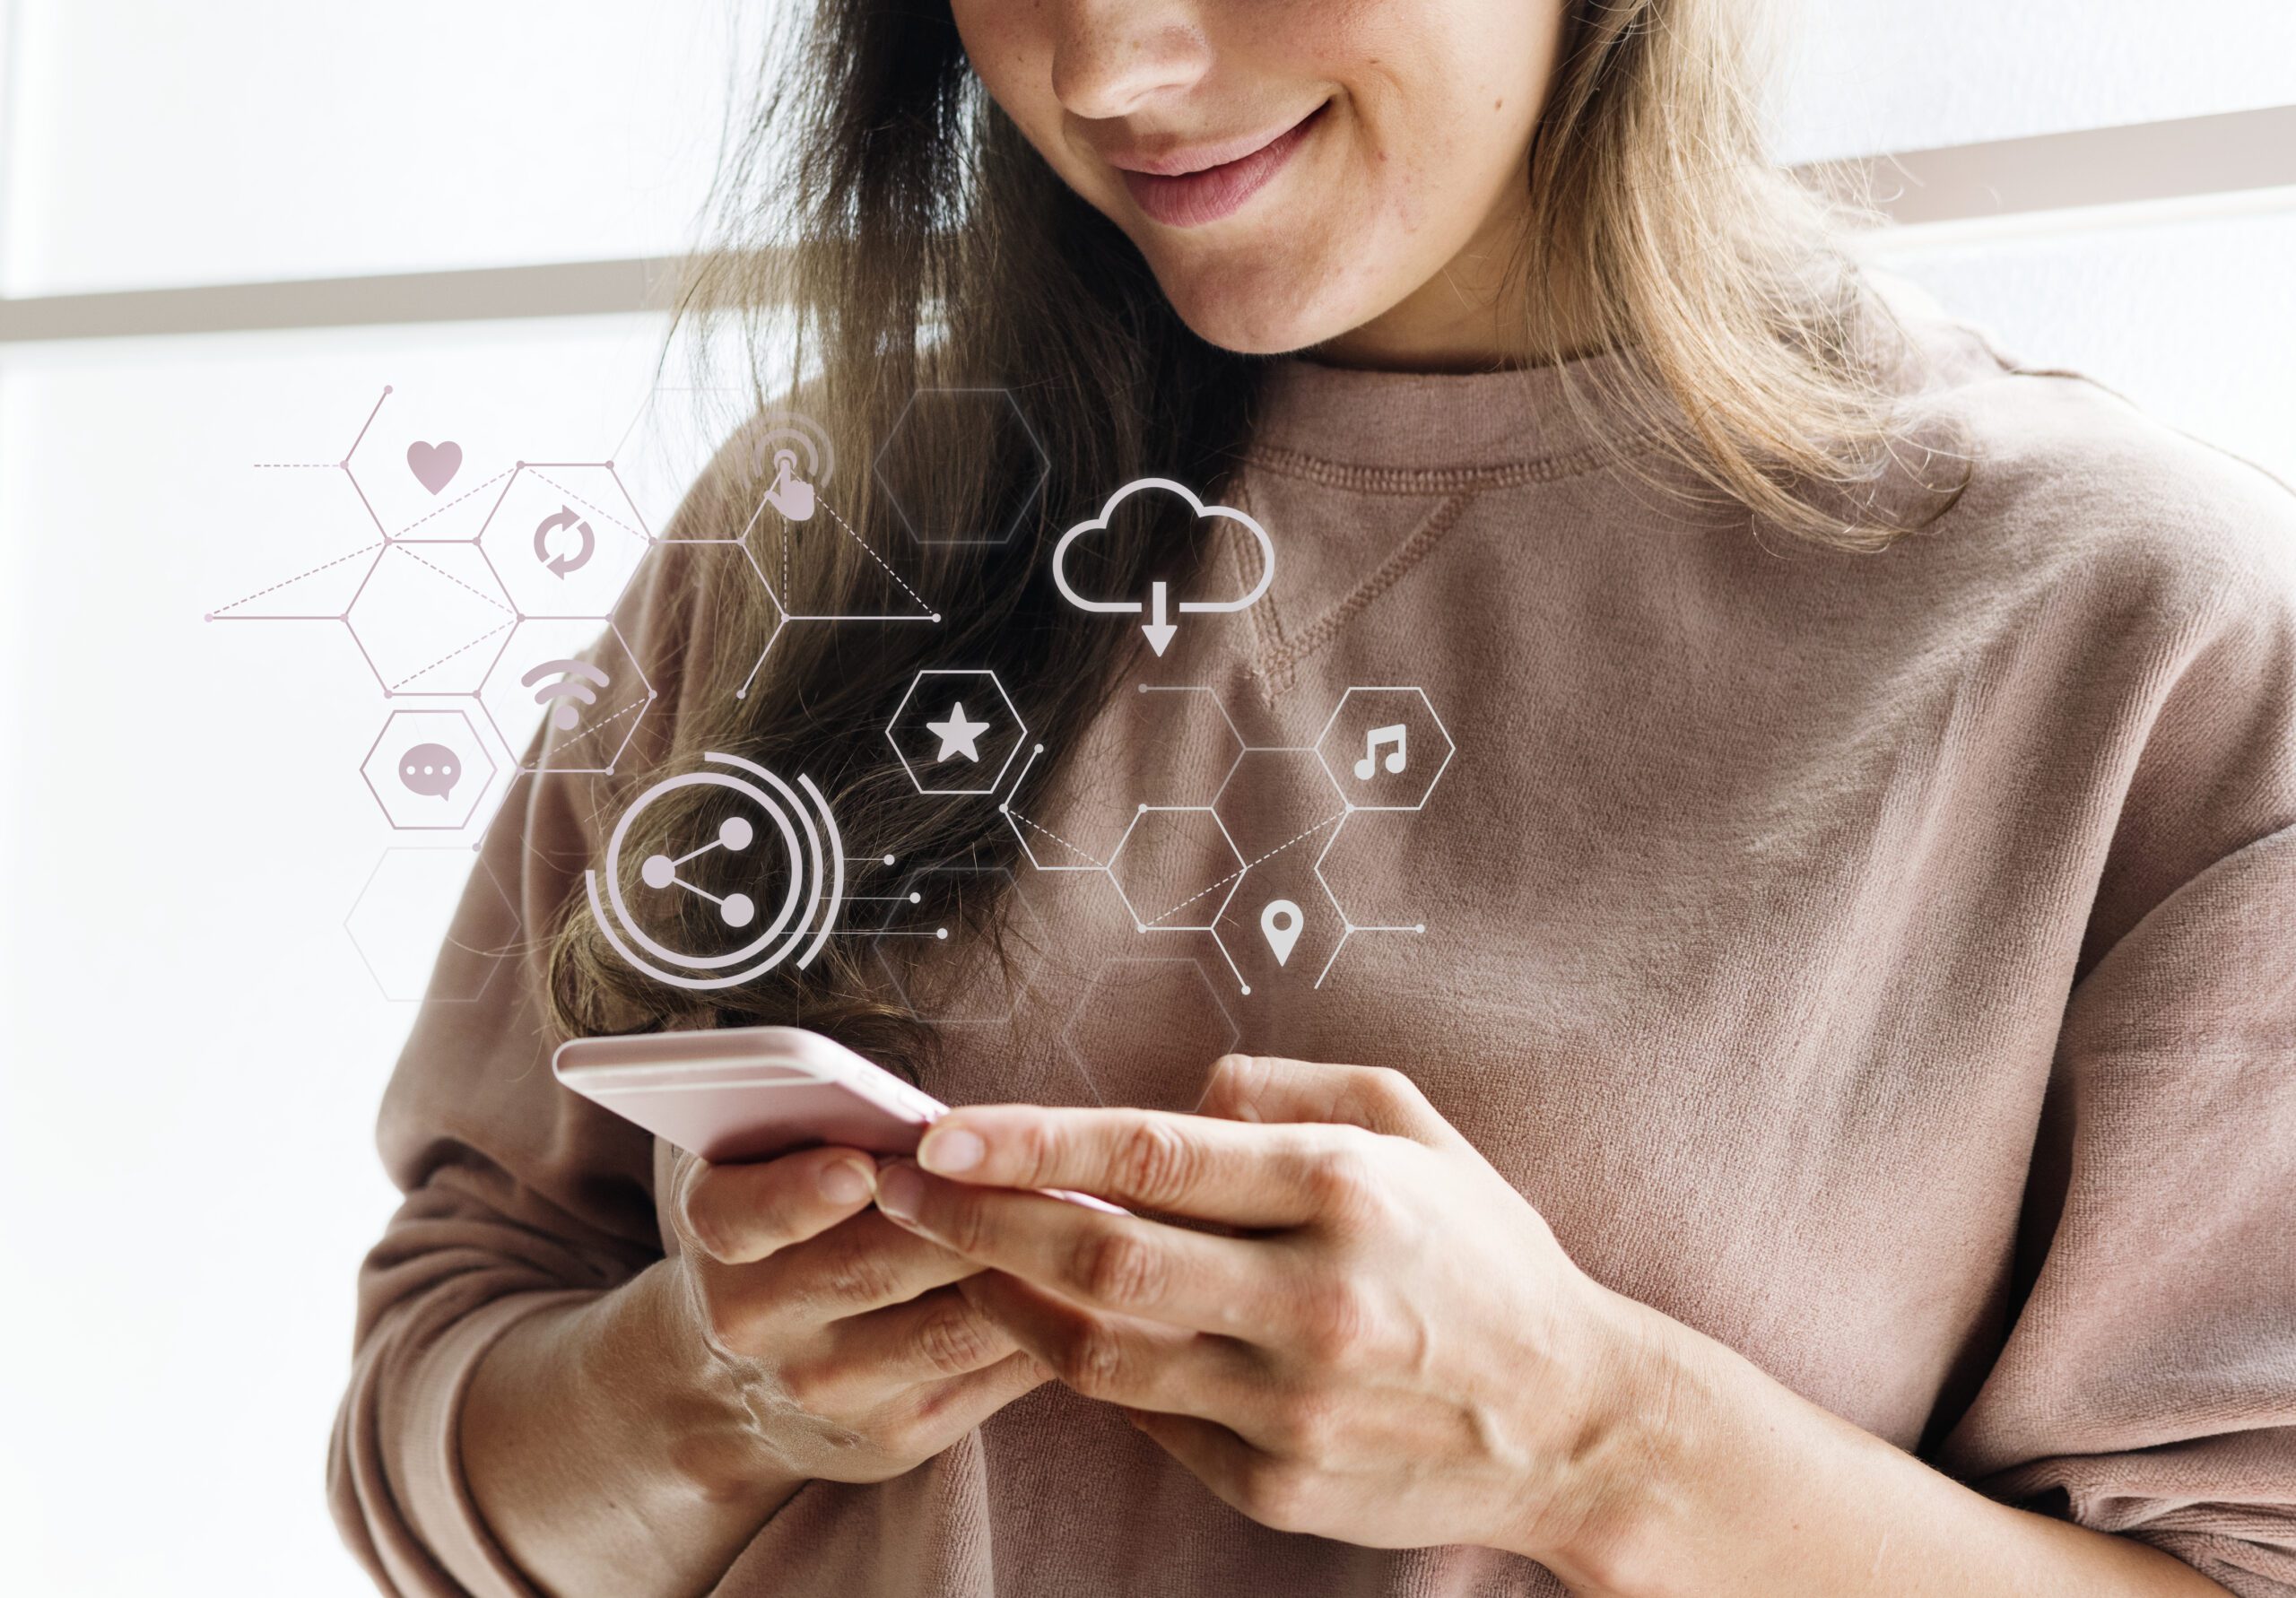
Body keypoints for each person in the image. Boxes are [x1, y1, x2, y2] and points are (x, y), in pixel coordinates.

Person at [328, 0, 2296, 1594]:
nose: (1105, 69)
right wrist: (715, 1392)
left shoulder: (2138, 636)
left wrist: (1602, 1445)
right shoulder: (826, 528)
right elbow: (441, 1426)